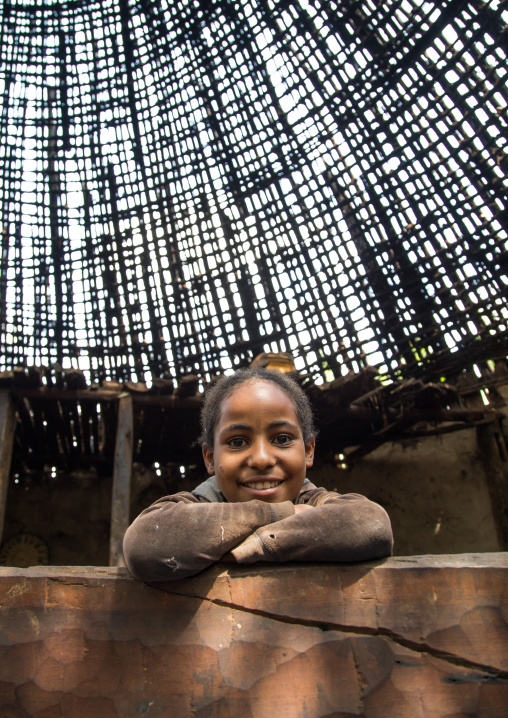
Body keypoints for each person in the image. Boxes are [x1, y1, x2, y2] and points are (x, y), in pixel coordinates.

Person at [123, 367, 393, 581]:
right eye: (237, 442)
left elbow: (372, 524)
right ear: (210, 458)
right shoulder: (200, 502)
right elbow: (144, 544)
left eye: (283, 438)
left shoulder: (314, 500)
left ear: (309, 450)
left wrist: (256, 545)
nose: (262, 459)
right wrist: (281, 515)